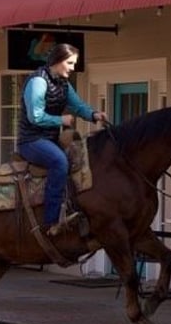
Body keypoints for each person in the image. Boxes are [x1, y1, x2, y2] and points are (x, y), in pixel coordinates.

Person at [17, 43, 108, 236]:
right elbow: (35, 116)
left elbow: (77, 106)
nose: (73, 68)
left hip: (50, 139)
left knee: (82, 157)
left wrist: (94, 115)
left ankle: (74, 208)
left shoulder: (64, 84)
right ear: (57, 61)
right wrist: (61, 119)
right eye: (70, 63)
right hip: (31, 141)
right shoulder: (38, 82)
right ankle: (51, 222)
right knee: (59, 161)